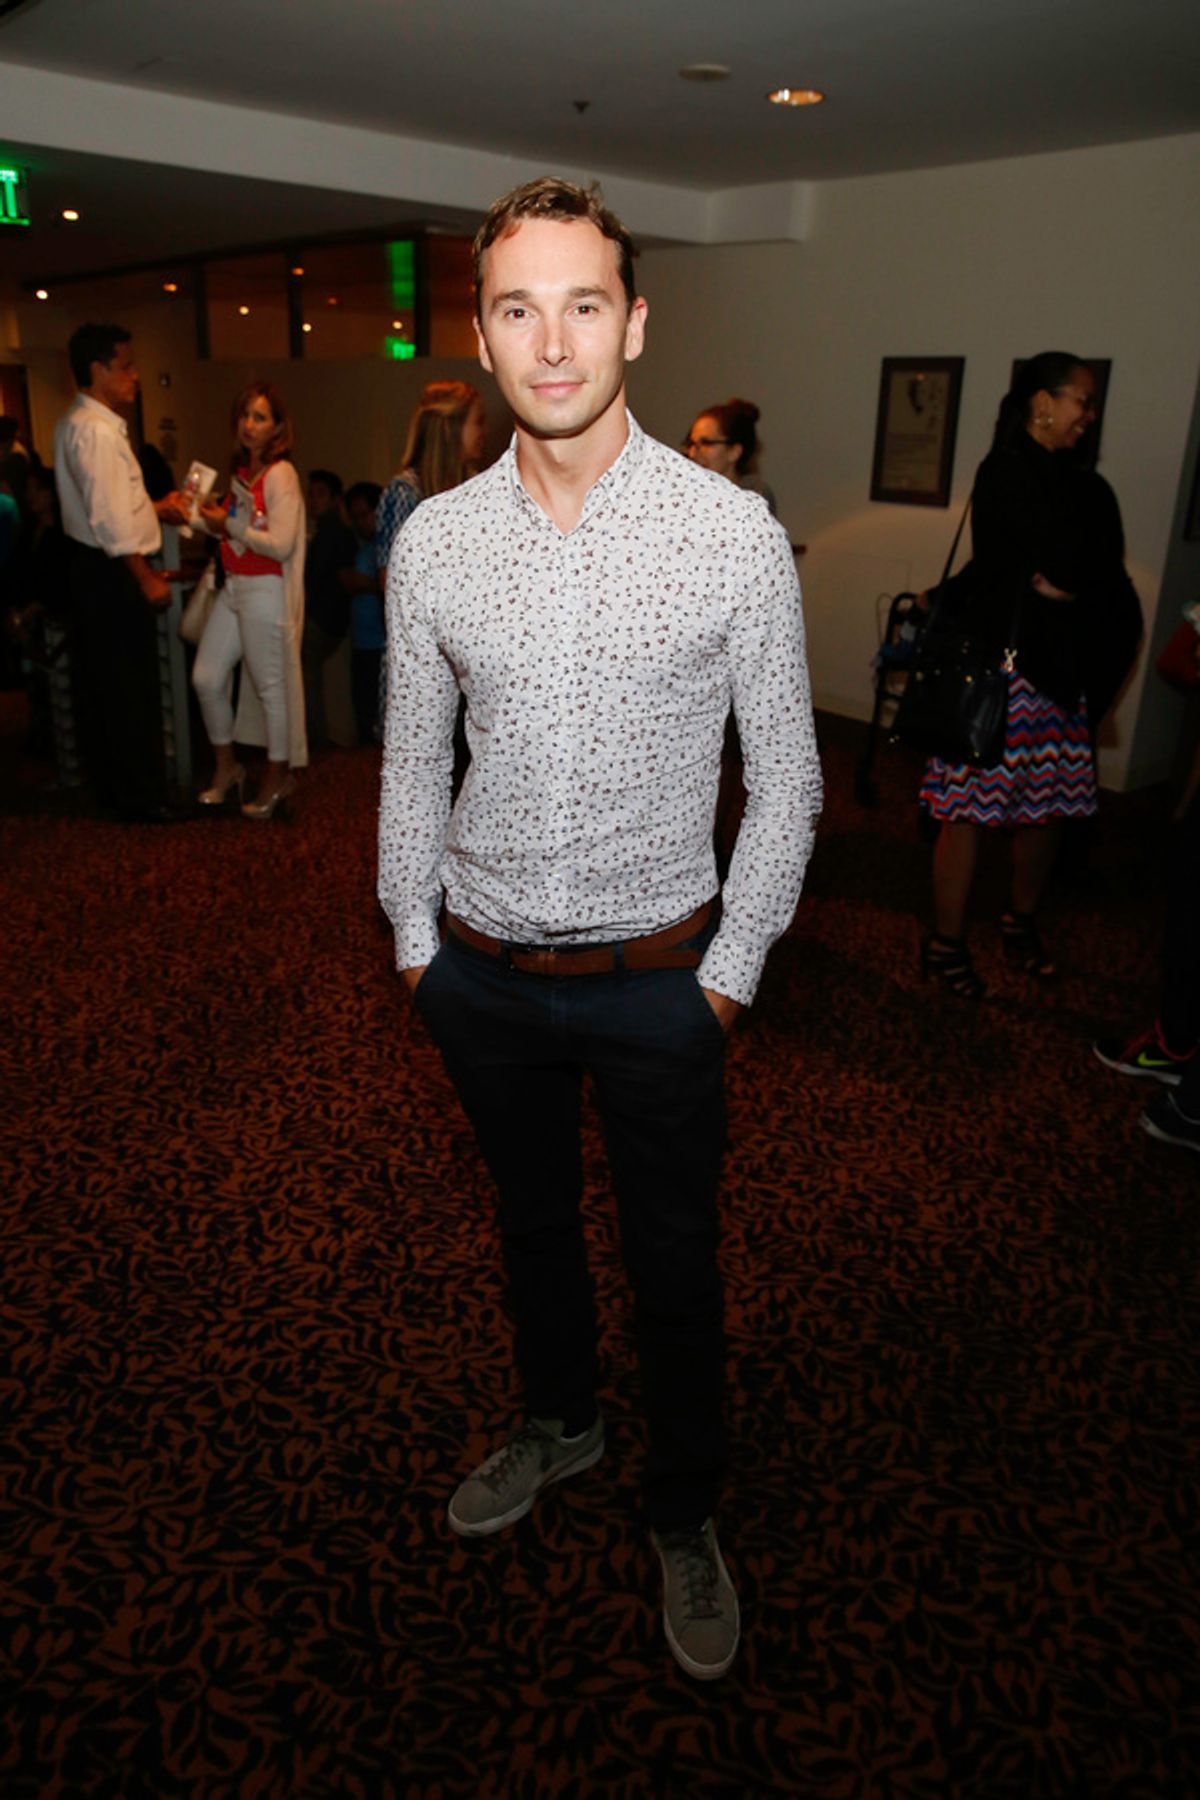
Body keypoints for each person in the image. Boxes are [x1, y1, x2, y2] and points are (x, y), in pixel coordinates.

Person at [378, 177, 822, 1682]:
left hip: (659, 987)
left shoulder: (732, 534)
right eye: (517, 306)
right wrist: (413, 949)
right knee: (531, 1232)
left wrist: (728, 977)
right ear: (484, 331)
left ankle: (685, 1506)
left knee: (675, 1261)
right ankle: (562, 1425)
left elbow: (791, 780)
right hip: (481, 976)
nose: (551, 340)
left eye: (583, 304)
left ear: (634, 320)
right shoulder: (437, 540)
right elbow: (407, 762)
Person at [918, 351, 1142, 996]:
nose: (1089, 416)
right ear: (1042, 403)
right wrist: (1065, 577)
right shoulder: (1006, 471)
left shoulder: (1089, 485)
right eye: (1081, 400)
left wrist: (1070, 582)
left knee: (1045, 812)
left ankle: (1020, 921)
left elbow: (1095, 571)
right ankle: (946, 941)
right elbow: (1054, 561)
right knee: (965, 813)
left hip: (1059, 676)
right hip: (1000, 675)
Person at [53, 323, 189, 822]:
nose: (135, 376)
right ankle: (141, 796)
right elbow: (111, 523)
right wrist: (145, 575)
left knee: (108, 684)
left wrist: (155, 507)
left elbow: (104, 508)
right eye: (127, 366)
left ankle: (120, 790)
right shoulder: (98, 432)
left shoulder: (75, 422)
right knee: (129, 687)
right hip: (112, 573)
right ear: (98, 370)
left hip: (92, 568)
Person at [194, 382, 307, 819]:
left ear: (277, 427)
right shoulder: (244, 473)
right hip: (235, 585)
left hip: (265, 590)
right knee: (206, 677)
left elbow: (278, 544)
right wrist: (204, 518)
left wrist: (230, 525)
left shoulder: (281, 474)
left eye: (260, 417)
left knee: (270, 690)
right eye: (245, 415)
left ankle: (278, 776)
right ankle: (228, 768)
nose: (248, 424)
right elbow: (238, 532)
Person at [374, 380, 486, 587]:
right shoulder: (405, 492)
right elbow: (393, 582)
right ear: (451, 428)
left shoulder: (478, 489)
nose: (483, 432)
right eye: (478, 422)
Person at [684, 398, 777, 515]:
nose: (693, 453)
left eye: (706, 443)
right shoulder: (685, 494)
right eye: (691, 444)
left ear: (734, 452)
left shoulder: (755, 496)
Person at [342, 480, 383, 745]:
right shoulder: (362, 547)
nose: (361, 522)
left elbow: (388, 586)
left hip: (380, 645)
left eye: (365, 515)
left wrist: (363, 583)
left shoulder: (385, 546)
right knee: (363, 717)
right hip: (361, 643)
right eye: (355, 517)